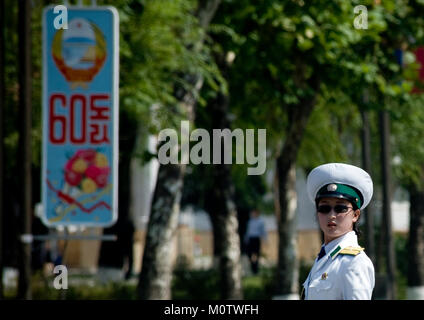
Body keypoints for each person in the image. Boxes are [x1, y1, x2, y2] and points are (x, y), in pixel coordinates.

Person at [302, 163, 375, 300]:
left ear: (355, 215)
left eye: (340, 208)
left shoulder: (354, 262)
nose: (331, 215)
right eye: (324, 208)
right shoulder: (325, 257)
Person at [244, 209, 267, 274]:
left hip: (256, 239)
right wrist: (246, 239)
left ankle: (256, 269)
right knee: (249, 253)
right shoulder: (250, 221)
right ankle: (252, 266)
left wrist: (265, 239)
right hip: (250, 239)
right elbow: (248, 231)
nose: (252, 214)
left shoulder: (260, 221)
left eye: (254, 213)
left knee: (257, 254)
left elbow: (263, 231)